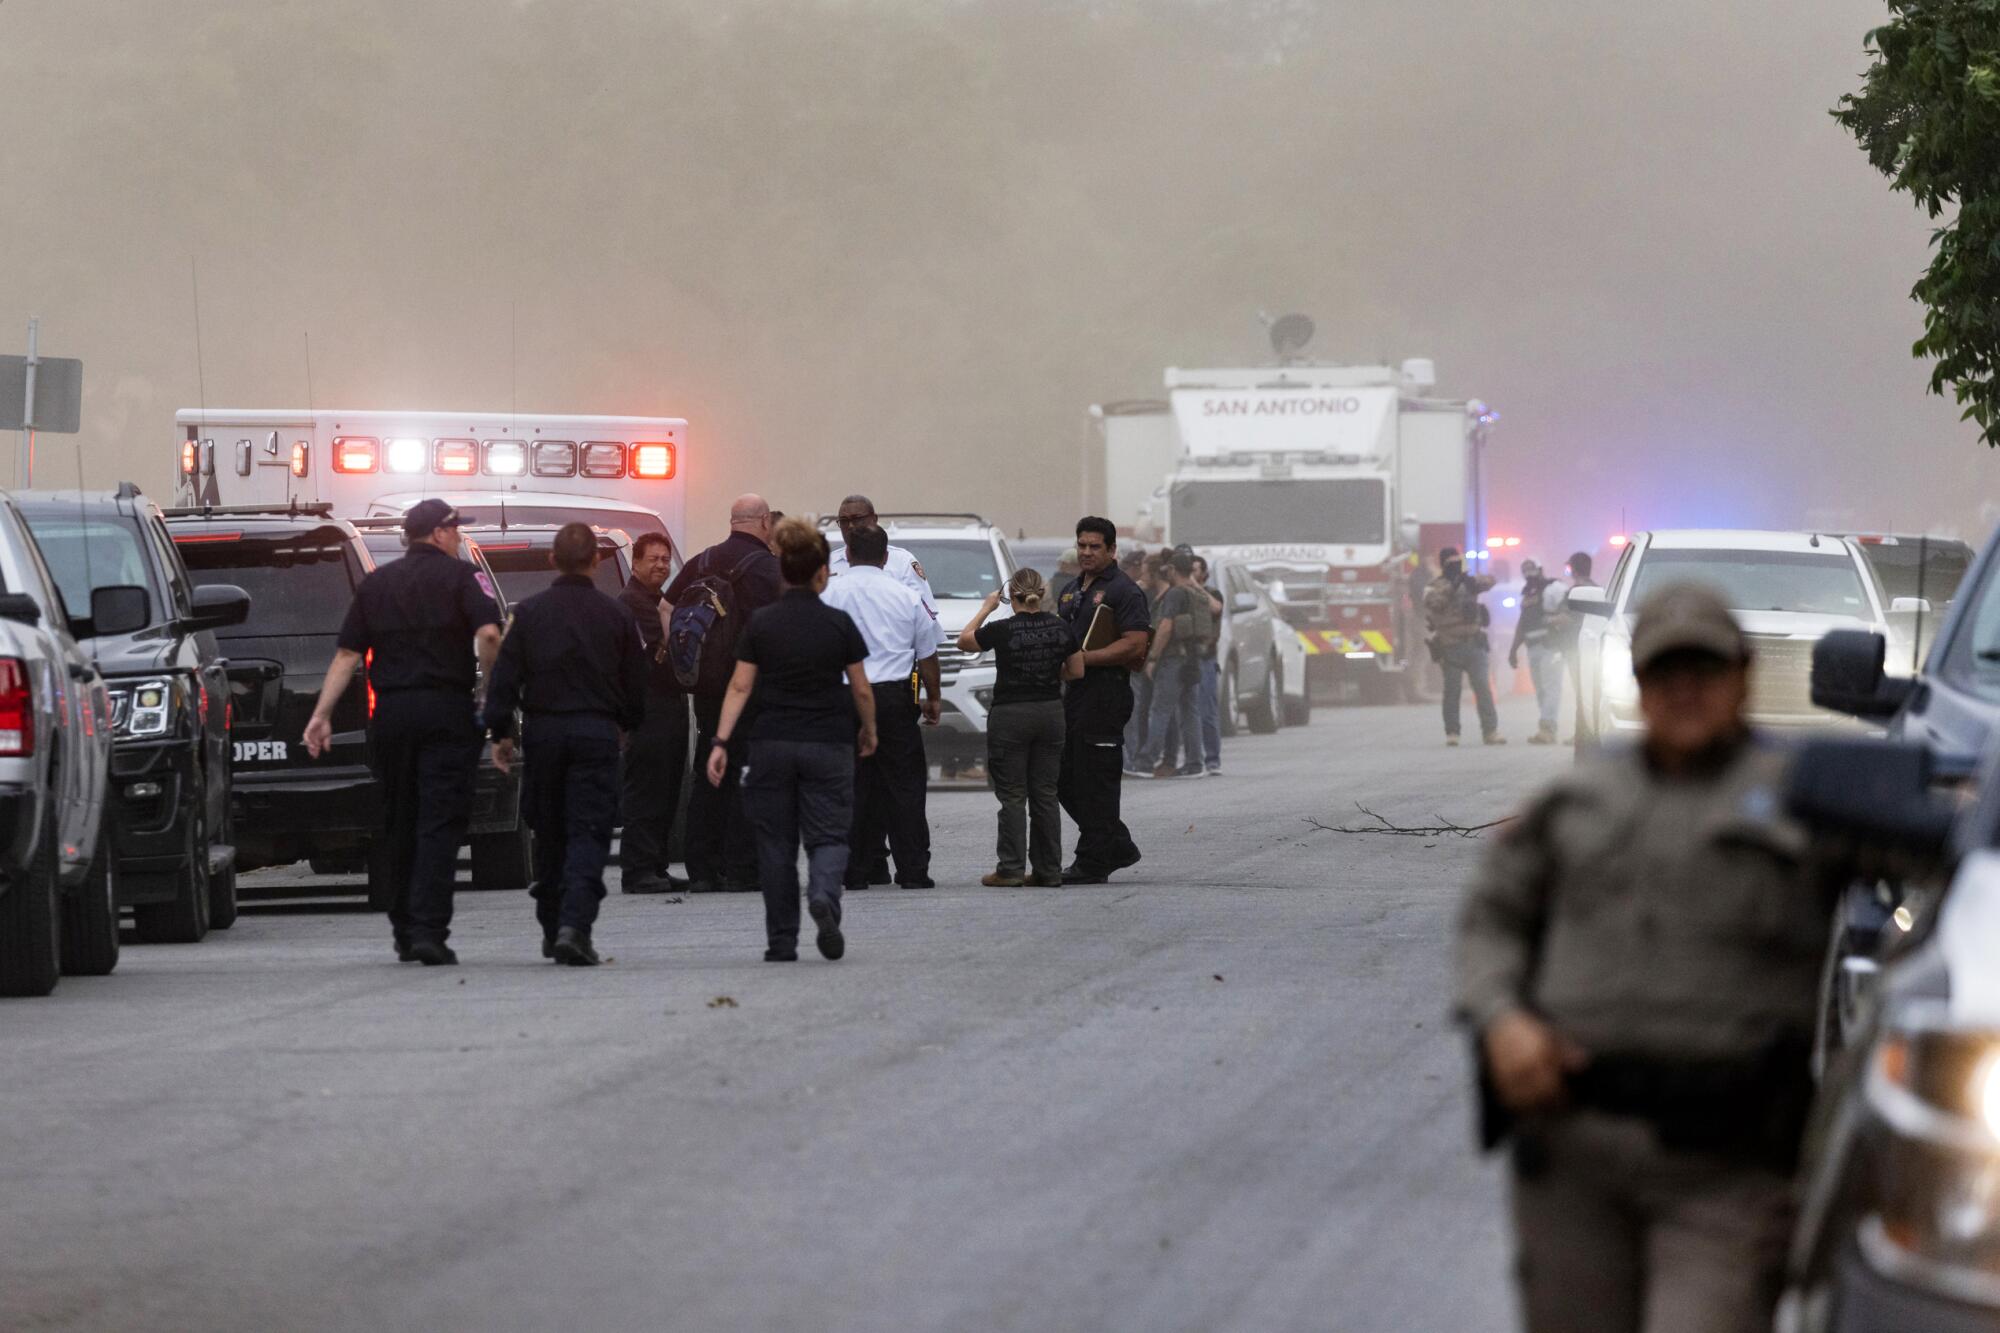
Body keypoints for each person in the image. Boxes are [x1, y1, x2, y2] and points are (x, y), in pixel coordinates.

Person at [1455, 583, 1827, 1333]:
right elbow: (1492, 918)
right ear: (1638, 679)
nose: (1685, 688)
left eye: (1705, 669)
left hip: (1728, 1166)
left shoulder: (1810, 803)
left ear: (1743, 674)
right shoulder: (1575, 798)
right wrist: (1501, 1019)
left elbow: (1938, 883)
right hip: (1573, 1155)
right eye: (1666, 672)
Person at [303, 499, 502, 966]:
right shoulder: (461, 577)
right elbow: (490, 636)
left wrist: (321, 714)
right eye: (454, 530)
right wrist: (488, 691)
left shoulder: (376, 584)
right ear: (437, 533)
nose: (457, 537)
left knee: (399, 817)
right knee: (440, 820)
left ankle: (403, 928)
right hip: (446, 712)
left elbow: (347, 656)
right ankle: (429, 929)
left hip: (392, 714)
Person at [705, 518, 876, 962]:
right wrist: (869, 730)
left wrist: (721, 741)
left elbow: (740, 686)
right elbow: (860, 686)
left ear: (783, 570)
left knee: (776, 845)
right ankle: (822, 894)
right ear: (822, 572)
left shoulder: (762, 623)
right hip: (828, 742)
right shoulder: (838, 623)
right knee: (829, 836)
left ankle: (782, 941)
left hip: (771, 743)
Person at [483, 524, 646, 966]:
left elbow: (504, 677)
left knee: (550, 831)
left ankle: (553, 923)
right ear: (596, 561)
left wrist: (501, 732)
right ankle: (575, 925)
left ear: (553, 560)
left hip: (545, 736)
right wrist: (629, 724)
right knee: (588, 832)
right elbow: (636, 684)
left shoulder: (530, 614)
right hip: (596, 734)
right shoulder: (616, 616)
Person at [663, 494, 783, 894]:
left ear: (733, 521)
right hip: (753, 689)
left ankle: (702, 868)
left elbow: (665, 607)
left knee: (708, 770)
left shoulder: (702, 560)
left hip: (707, 687)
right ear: (764, 522)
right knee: (747, 773)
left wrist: (685, 664)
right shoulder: (770, 569)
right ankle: (742, 867)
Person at [820, 523, 942, 892]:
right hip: (893, 697)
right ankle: (913, 870)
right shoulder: (905, 595)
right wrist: (931, 697)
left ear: (849, 553)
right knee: (904, 785)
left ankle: (853, 871)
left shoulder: (829, 593)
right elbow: (927, 654)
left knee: (850, 785)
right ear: (886, 557)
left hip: (844, 698)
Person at [959, 568, 1083, 886]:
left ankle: (1011, 868)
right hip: (1050, 713)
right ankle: (1048, 869)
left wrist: (987, 607)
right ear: (1041, 594)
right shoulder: (1061, 628)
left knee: (1013, 794)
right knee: (1045, 792)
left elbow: (964, 641)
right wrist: (1051, 676)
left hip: (1011, 715)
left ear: (1011, 596)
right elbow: (1077, 671)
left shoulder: (1003, 628)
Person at [1054, 517, 1150, 884]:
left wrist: (1086, 660)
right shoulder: (1070, 590)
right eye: (1082, 545)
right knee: (1064, 776)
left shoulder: (1124, 591)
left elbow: (1135, 643)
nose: (1087, 553)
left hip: (1106, 693)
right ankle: (1118, 844)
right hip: (1073, 695)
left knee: (1097, 779)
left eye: (1095, 547)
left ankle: (1093, 861)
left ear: (1112, 550)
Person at [618, 531, 689, 893]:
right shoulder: (633, 602)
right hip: (647, 710)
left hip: (668, 708)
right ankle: (638, 869)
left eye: (665, 559)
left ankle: (657, 866)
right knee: (646, 791)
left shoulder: (658, 599)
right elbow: (663, 650)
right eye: (653, 559)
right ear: (635, 563)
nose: (661, 565)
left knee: (666, 791)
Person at [1136, 548, 1207, 779]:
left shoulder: (1175, 594)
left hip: (1173, 660)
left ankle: (1146, 762)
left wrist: (1153, 657)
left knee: (1160, 710)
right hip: (1192, 659)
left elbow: (1165, 626)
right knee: (1190, 712)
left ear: (1174, 570)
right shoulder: (1195, 593)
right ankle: (1195, 764)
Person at [1423, 546, 1504, 746]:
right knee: (1452, 691)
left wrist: (1471, 581)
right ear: (1443, 564)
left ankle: (1490, 731)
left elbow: (1491, 581)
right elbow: (1432, 603)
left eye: (1457, 561)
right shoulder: (1435, 586)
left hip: (1474, 643)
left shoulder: (1469, 582)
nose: (1455, 565)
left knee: (1483, 688)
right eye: (1451, 562)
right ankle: (1452, 732)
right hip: (1450, 646)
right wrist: (1452, 587)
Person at [827, 494, 937, 610]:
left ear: (874, 519)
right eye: (844, 521)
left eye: (857, 519)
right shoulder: (828, 563)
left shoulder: (902, 562)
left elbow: (924, 610)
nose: (850, 526)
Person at [1508, 558, 1563, 745]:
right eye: (1525, 570)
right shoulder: (1527, 594)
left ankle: (1547, 727)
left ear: (1540, 569)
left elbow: (1568, 614)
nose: (1528, 573)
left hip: (1551, 647)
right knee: (1540, 690)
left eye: (1532, 569)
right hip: (1533, 648)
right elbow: (1522, 624)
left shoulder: (1554, 588)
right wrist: (1513, 649)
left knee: (1551, 688)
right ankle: (1547, 729)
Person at [1122, 551, 1167, 772]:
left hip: (1138, 658)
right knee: (1134, 710)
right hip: (1134, 659)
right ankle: (1132, 758)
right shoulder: (1136, 591)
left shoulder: (1144, 593)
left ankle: (1135, 757)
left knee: (1138, 709)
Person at [1548, 551, 1598, 743]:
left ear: (1574, 569)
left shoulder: (1575, 592)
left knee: (1581, 693)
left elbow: (1567, 617)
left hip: (1576, 648)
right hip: (1593, 646)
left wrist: (1550, 619)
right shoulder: (1597, 589)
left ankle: (1582, 735)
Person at [1191, 554, 1225, 776]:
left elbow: (1216, 608)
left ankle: (1212, 759)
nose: (1192, 574)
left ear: (1204, 573)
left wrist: (1194, 585)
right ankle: (1191, 759)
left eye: (1196, 570)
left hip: (1205, 659)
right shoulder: (1179, 594)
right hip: (1185, 658)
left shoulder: (1211, 593)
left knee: (1207, 711)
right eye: (1189, 569)